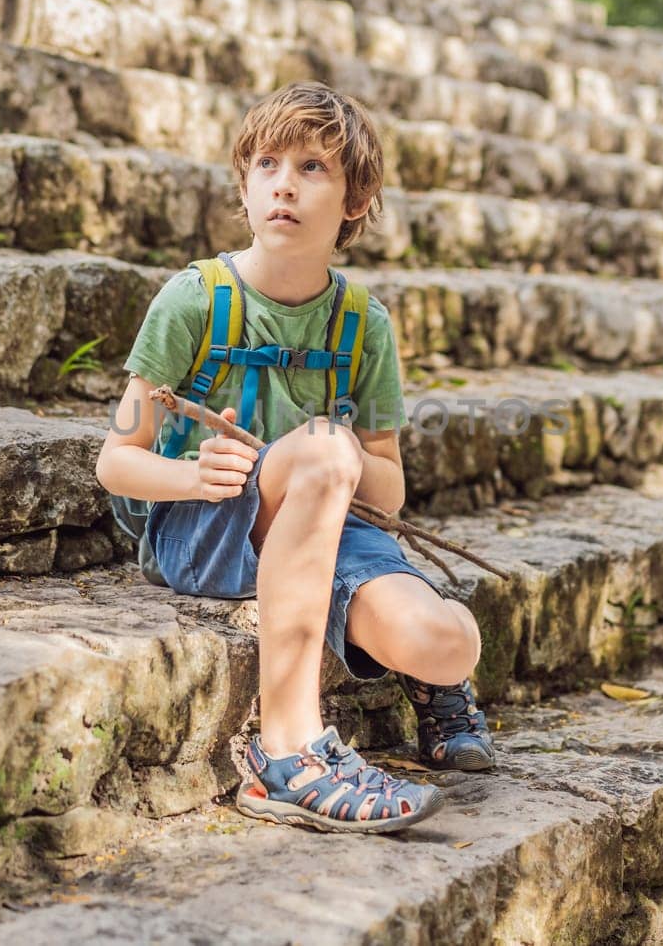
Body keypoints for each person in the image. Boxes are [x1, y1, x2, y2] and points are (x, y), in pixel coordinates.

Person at [95, 82, 494, 834]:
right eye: (267, 164)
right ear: (244, 190)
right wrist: (191, 474)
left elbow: (390, 485)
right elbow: (116, 461)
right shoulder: (192, 301)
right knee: (317, 454)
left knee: (442, 642)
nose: (285, 182)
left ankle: (440, 685)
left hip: (328, 520)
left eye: (313, 167)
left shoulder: (362, 325)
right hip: (209, 525)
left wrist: (334, 450)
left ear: (353, 200)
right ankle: (289, 751)